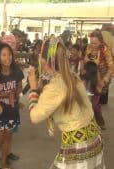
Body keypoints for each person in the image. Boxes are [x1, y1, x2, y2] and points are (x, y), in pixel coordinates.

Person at [28, 38, 105, 168]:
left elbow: (34, 116)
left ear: (45, 62)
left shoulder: (54, 87)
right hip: (94, 141)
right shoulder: (72, 76)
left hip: (78, 147)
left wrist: (33, 89)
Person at [0, 44, 24, 169]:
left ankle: (3, 163)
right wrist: (6, 93)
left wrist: (15, 94)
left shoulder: (17, 71)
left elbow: (20, 87)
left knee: (8, 138)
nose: (7, 58)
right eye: (3, 55)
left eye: (9, 54)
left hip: (12, 111)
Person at [84, 30, 114, 104]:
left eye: (95, 43)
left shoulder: (106, 50)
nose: (93, 45)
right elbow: (85, 59)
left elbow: (111, 68)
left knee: (98, 100)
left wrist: (104, 80)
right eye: (91, 43)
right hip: (91, 76)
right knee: (90, 99)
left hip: (102, 76)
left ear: (100, 42)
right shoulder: (89, 47)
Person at [82, 61, 105, 130]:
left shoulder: (91, 80)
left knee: (94, 109)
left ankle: (95, 124)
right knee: (96, 109)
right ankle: (100, 124)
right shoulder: (86, 79)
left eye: (84, 68)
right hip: (91, 99)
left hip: (91, 100)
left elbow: (100, 88)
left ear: (87, 70)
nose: (83, 70)